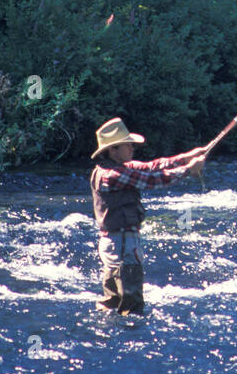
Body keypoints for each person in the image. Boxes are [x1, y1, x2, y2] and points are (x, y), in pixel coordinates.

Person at [88, 117, 206, 313]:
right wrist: (188, 170)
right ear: (113, 150)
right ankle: (130, 338)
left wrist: (185, 157)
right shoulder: (113, 175)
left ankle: (111, 337)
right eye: (128, 145)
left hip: (117, 243)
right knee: (132, 304)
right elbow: (154, 180)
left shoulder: (113, 169)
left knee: (113, 304)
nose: (132, 149)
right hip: (122, 245)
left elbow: (152, 166)